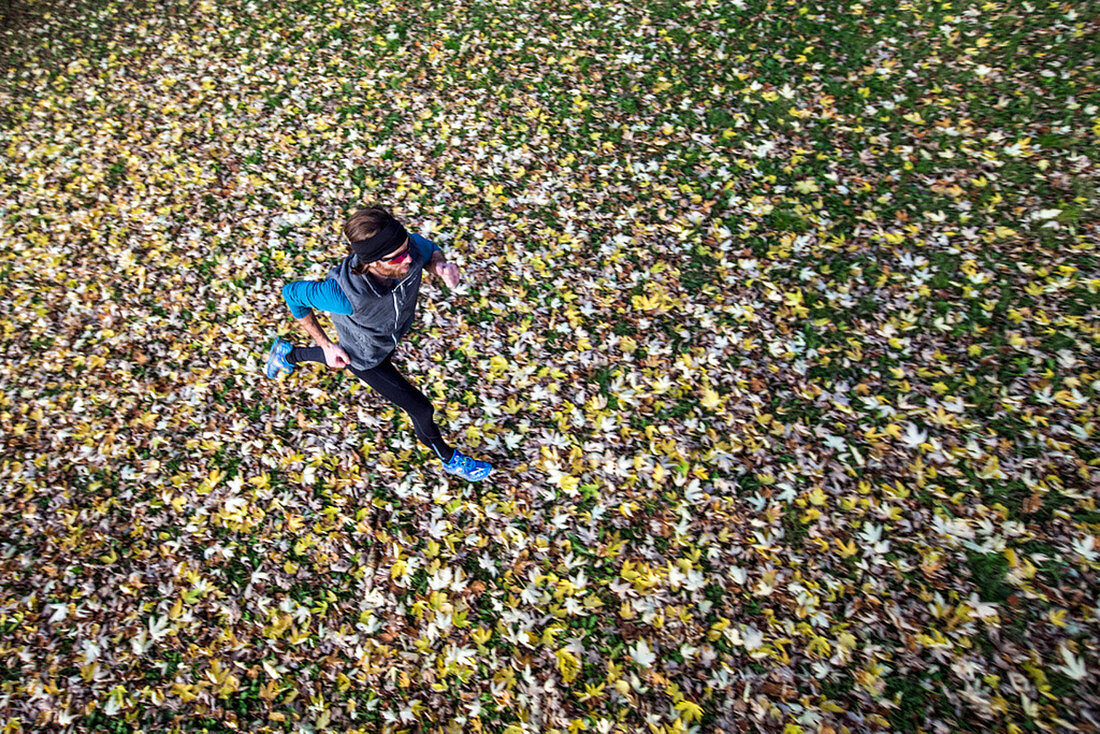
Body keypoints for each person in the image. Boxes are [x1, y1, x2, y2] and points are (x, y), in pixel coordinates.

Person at [264, 205, 493, 481]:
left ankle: (286, 354)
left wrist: (439, 266)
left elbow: (428, 248)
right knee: (421, 408)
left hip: (387, 335)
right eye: (397, 258)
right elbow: (292, 294)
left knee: (344, 354)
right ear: (372, 262)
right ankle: (449, 458)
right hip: (365, 355)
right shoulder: (342, 295)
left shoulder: (407, 250)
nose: (408, 260)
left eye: (407, 248)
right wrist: (325, 344)